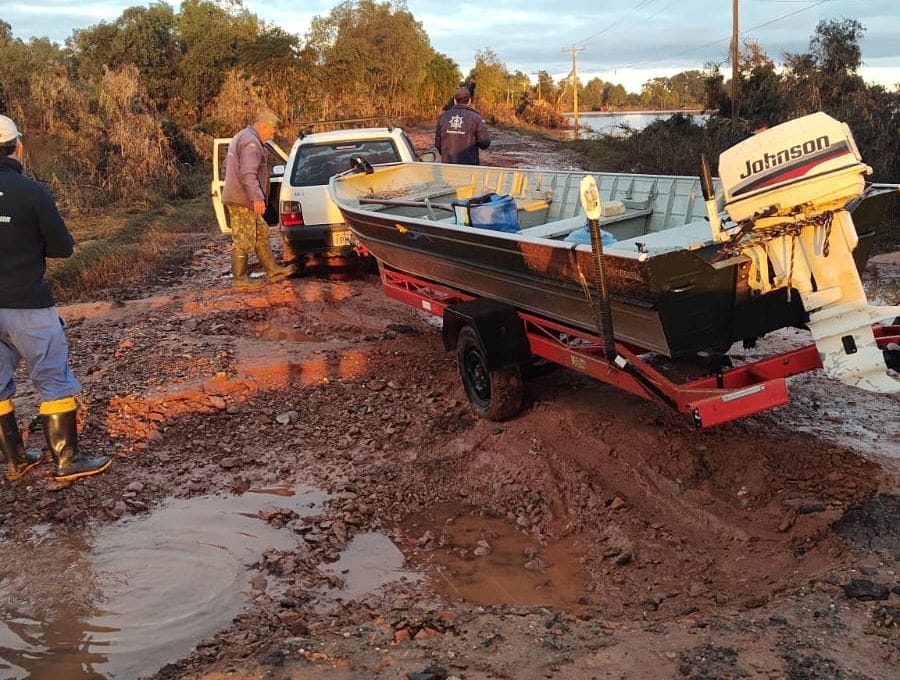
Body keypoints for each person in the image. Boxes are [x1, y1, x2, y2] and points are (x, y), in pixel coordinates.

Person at [0, 114, 111, 482]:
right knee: (53, 378)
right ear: (18, 147)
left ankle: (16, 462)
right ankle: (66, 461)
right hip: (27, 304)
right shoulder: (31, 192)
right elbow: (62, 248)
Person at [222, 109, 295, 290]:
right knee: (244, 238)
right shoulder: (251, 142)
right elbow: (248, 173)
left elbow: (227, 167)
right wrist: (257, 198)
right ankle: (240, 279)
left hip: (240, 196)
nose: (273, 134)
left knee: (261, 232)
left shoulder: (242, 136)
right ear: (263, 126)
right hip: (243, 200)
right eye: (271, 130)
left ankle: (273, 270)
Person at [435, 86, 491, 165]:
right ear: (469, 101)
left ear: (454, 100)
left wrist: (447, 155)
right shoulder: (476, 118)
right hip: (469, 168)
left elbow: (438, 144)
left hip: (447, 167)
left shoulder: (443, 117)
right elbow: (485, 144)